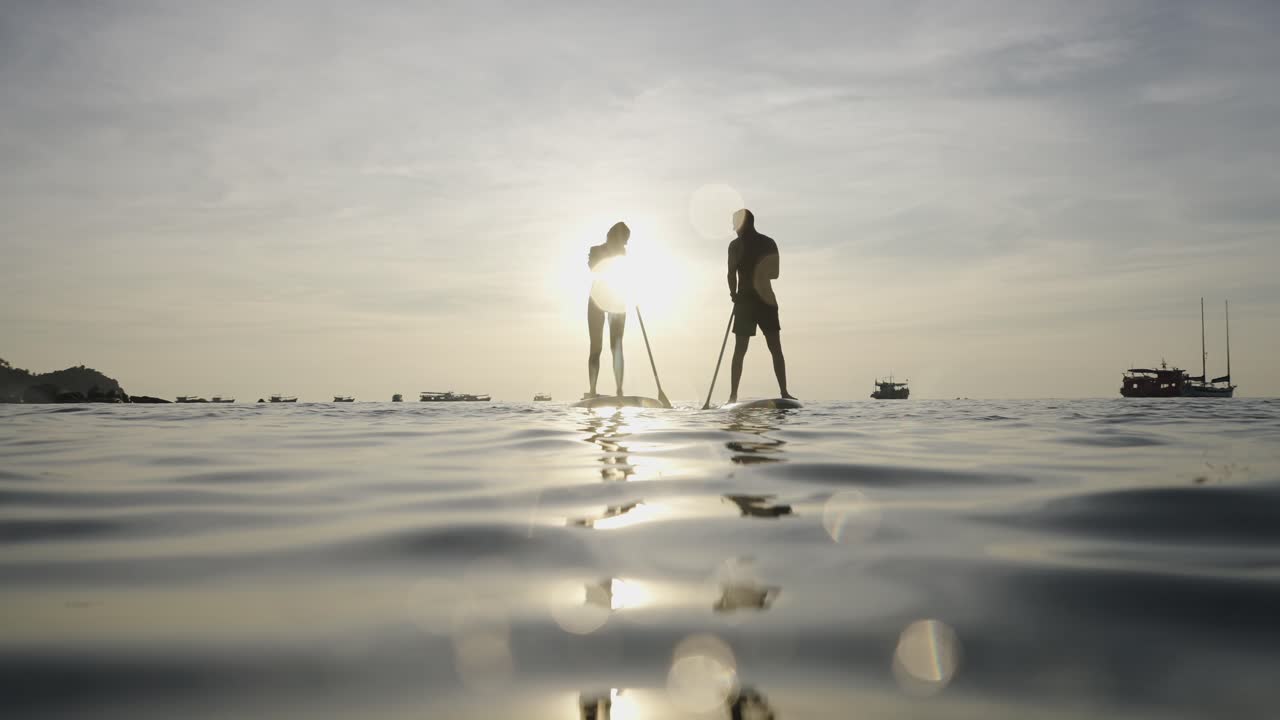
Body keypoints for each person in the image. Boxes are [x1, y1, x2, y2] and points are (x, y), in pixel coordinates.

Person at [726, 209, 795, 403]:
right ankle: (733, 396)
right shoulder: (736, 246)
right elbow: (731, 274)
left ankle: (784, 392)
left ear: (744, 224)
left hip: (763, 302)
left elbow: (775, 273)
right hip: (746, 302)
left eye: (735, 224)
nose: (733, 228)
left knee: (773, 347)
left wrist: (737, 292)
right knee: (741, 350)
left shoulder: (766, 243)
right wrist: (734, 295)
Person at [586, 221, 629, 398]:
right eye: (622, 240)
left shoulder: (624, 254)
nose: (624, 245)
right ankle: (593, 390)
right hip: (597, 301)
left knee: (616, 346)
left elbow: (628, 275)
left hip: (618, 300)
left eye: (625, 242)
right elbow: (593, 267)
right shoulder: (596, 250)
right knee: (596, 347)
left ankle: (619, 390)